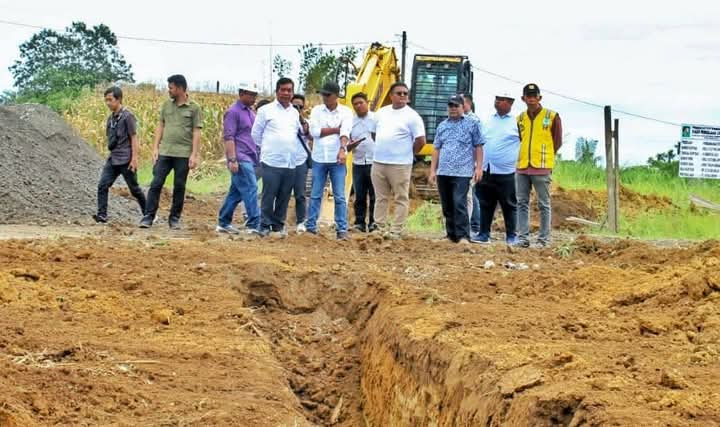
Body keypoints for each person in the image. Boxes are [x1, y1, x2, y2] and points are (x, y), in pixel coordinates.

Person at [140, 74, 202, 229]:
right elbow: (160, 126)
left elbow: (196, 132)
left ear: (180, 88)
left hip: (183, 154)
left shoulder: (194, 108)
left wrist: (194, 154)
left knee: (179, 186)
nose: (169, 91)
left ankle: (174, 218)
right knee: (156, 183)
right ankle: (148, 216)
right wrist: (155, 147)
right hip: (165, 152)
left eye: (171, 88)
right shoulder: (166, 106)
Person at [371, 82, 426, 239]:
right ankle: (379, 228)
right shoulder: (381, 113)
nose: (402, 96)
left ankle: (396, 230)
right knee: (380, 197)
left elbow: (421, 141)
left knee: (400, 197)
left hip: (400, 164)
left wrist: (408, 153)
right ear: (391, 96)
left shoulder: (412, 116)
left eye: (405, 94)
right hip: (379, 162)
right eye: (399, 93)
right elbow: (374, 134)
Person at [428, 95, 484, 244]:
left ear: (462, 107)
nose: (453, 109)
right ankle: (451, 235)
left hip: (463, 172)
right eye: (450, 106)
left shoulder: (472, 124)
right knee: (447, 204)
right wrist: (433, 170)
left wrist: (479, 168)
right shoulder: (442, 126)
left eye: (456, 106)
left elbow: (479, 145)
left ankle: (463, 236)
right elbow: (436, 149)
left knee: (459, 202)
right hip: (444, 171)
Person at [251, 77, 302, 237]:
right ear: (277, 91)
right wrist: (269, 148)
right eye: (283, 90)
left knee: (284, 195)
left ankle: (278, 225)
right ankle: (264, 225)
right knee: (269, 194)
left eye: (289, 90)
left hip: (289, 162)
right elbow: (255, 135)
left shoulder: (294, 113)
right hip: (271, 161)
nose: (286, 93)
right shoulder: (266, 110)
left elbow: (298, 133)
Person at [516, 83, 563, 247]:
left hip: (541, 166)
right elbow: (522, 140)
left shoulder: (551, 116)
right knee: (521, 202)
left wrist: (546, 156)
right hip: (522, 166)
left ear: (539, 97)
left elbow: (557, 141)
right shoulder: (520, 118)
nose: (531, 99)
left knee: (543, 204)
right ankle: (523, 238)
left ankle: (543, 240)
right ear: (523, 99)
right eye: (528, 96)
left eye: (534, 96)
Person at [306, 82, 353, 240]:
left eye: (328, 95)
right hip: (319, 157)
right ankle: (311, 226)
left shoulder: (346, 112)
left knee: (339, 196)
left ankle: (342, 229)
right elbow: (314, 132)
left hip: (336, 158)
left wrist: (342, 149)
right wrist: (336, 129)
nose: (324, 98)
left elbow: (345, 132)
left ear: (336, 96)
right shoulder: (316, 111)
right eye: (323, 95)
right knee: (315, 194)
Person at [472, 93, 520, 245]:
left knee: (509, 204)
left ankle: (511, 235)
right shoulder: (487, 120)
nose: (497, 102)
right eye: (496, 99)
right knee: (486, 203)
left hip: (506, 171)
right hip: (487, 170)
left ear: (510, 103)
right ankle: (483, 233)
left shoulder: (516, 122)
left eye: (501, 100)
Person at [94, 86, 146, 223]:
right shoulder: (110, 119)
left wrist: (134, 159)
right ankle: (102, 215)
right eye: (106, 100)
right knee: (102, 185)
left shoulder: (128, 117)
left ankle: (148, 214)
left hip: (126, 159)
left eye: (110, 100)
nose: (108, 103)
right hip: (113, 158)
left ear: (119, 99)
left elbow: (134, 138)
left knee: (134, 190)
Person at [216, 82, 261, 235]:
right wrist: (232, 160)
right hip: (240, 157)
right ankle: (254, 223)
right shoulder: (233, 112)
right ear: (241, 93)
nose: (254, 98)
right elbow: (229, 137)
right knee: (251, 188)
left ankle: (223, 222)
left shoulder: (250, 112)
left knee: (236, 192)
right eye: (251, 94)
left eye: (255, 95)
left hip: (250, 156)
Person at [349, 92, 377, 232]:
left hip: (375, 161)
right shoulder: (350, 122)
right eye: (355, 104)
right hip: (358, 162)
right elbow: (346, 143)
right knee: (359, 195)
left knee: (375, 194)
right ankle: (359, 222)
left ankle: (374, 222)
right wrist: (351, 145)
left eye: (361, 102)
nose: (359, 106)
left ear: (367, 102)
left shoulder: (376, 119)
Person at [291, 94, 312, 233]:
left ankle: (300, 221)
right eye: (294, 106)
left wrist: (301, 119)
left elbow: (310, 135)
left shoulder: (306, 122)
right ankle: (277, 221)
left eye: (299, 106)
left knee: (300, 193)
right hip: (285, 160)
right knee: (282, 192)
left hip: (300, 160)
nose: (296, 108)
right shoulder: (283, 120)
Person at [462, 93, 481, 236]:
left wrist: (477, 164)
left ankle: (474, 225)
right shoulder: (458, 120)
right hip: (461, 164)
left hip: (469, 164)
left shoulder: (473, 121)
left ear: (467, 104)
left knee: (470, 195)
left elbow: (478, 145)